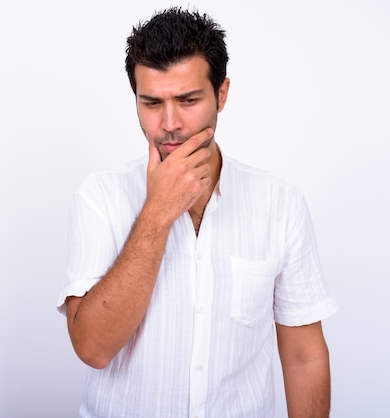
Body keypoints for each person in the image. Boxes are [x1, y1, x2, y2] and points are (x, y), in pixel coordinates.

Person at [56, 7, 339, 418]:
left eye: (188, 100)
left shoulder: (279, 203)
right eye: (151, 102)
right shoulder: (100, 197)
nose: (170, 123)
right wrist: (157, 213)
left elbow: (303, 355)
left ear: (221, 94)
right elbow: (93, 348)